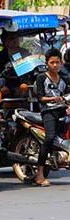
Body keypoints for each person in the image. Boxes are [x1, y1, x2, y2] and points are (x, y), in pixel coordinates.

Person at [34, 48, 70, 186]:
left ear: (61, 63)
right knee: (49, 138)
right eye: (52, 62)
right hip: (48, 111)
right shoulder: (41, 77)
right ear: (47, 63)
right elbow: (40, 97)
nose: (55, 65)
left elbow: (67, 95)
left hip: (62, 110)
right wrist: (53, 99)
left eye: (57, 62)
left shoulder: (65, 79)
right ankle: (40, 174)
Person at [0, 31, 30, 97]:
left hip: (23, 81)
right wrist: (2, 86)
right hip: (6, 82)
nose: (15, 41)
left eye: (16, 38)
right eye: (11, 38)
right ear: (4, 41)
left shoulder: (25, 52)